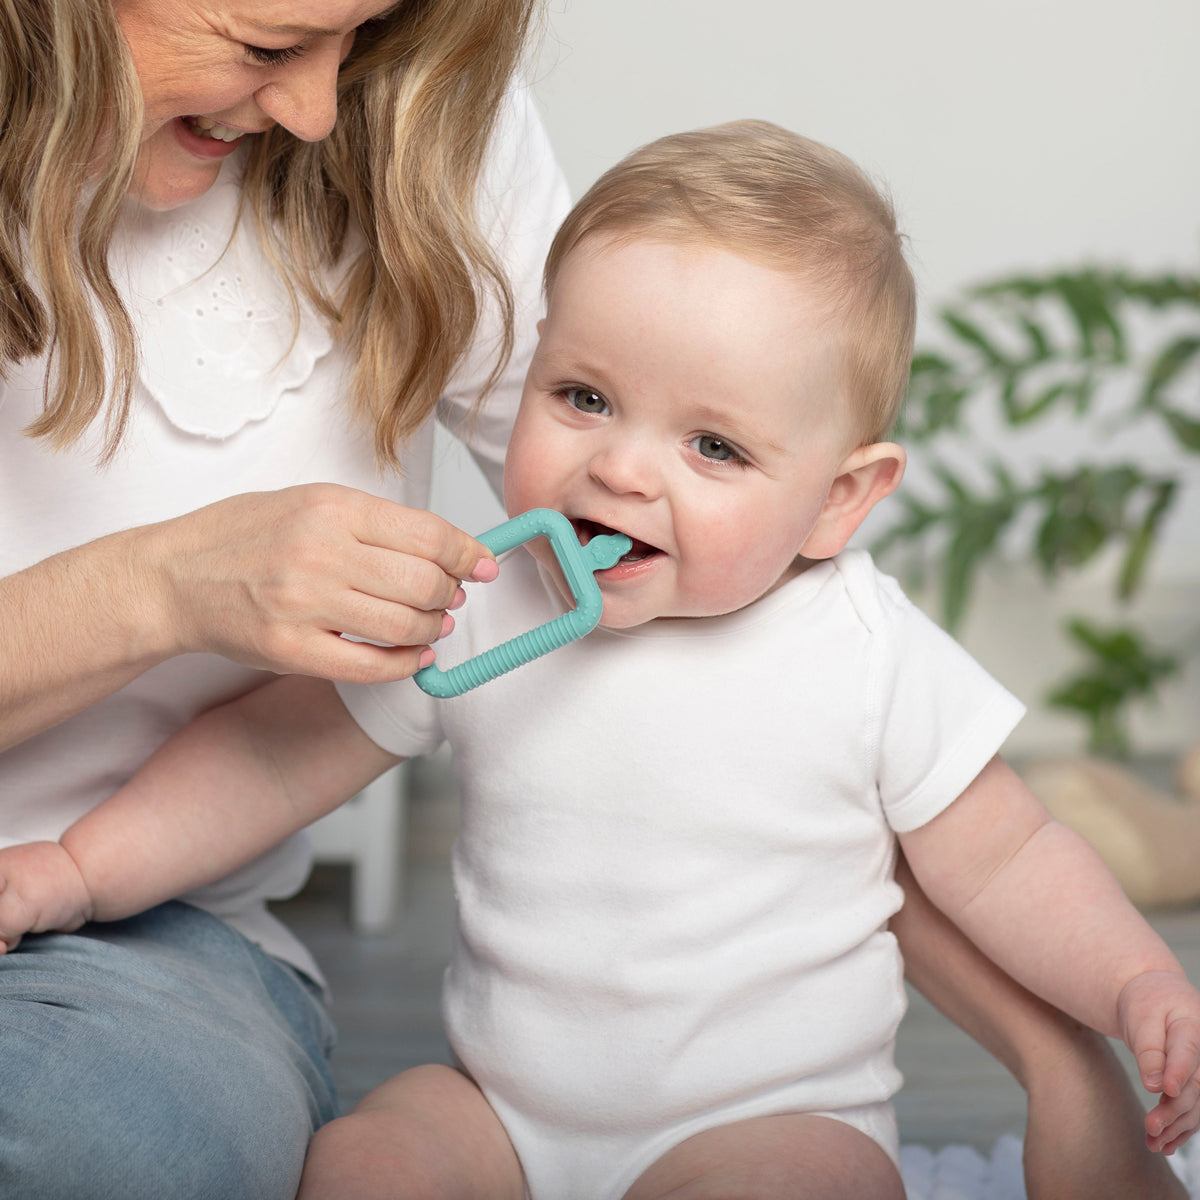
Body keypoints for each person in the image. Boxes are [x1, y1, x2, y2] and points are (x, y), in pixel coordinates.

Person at [3, 120, 1198, 1200]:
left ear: (841, 499)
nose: (621, 470)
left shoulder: (863, 649)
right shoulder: (490, 605)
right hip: (504, 1114)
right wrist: (78, 868)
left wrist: (1134, 983)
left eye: (714, 447)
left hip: (767, 1123)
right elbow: (271, 759)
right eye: (583, 396)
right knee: (368, 1160)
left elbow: (1009, 858)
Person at [0, 0, 569, 1196]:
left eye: (361, 34)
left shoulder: (418, 126)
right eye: (266, 45)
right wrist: (158, 587)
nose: (315, 110)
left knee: (96, 1140)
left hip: (133, 952)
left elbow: (661, 516)